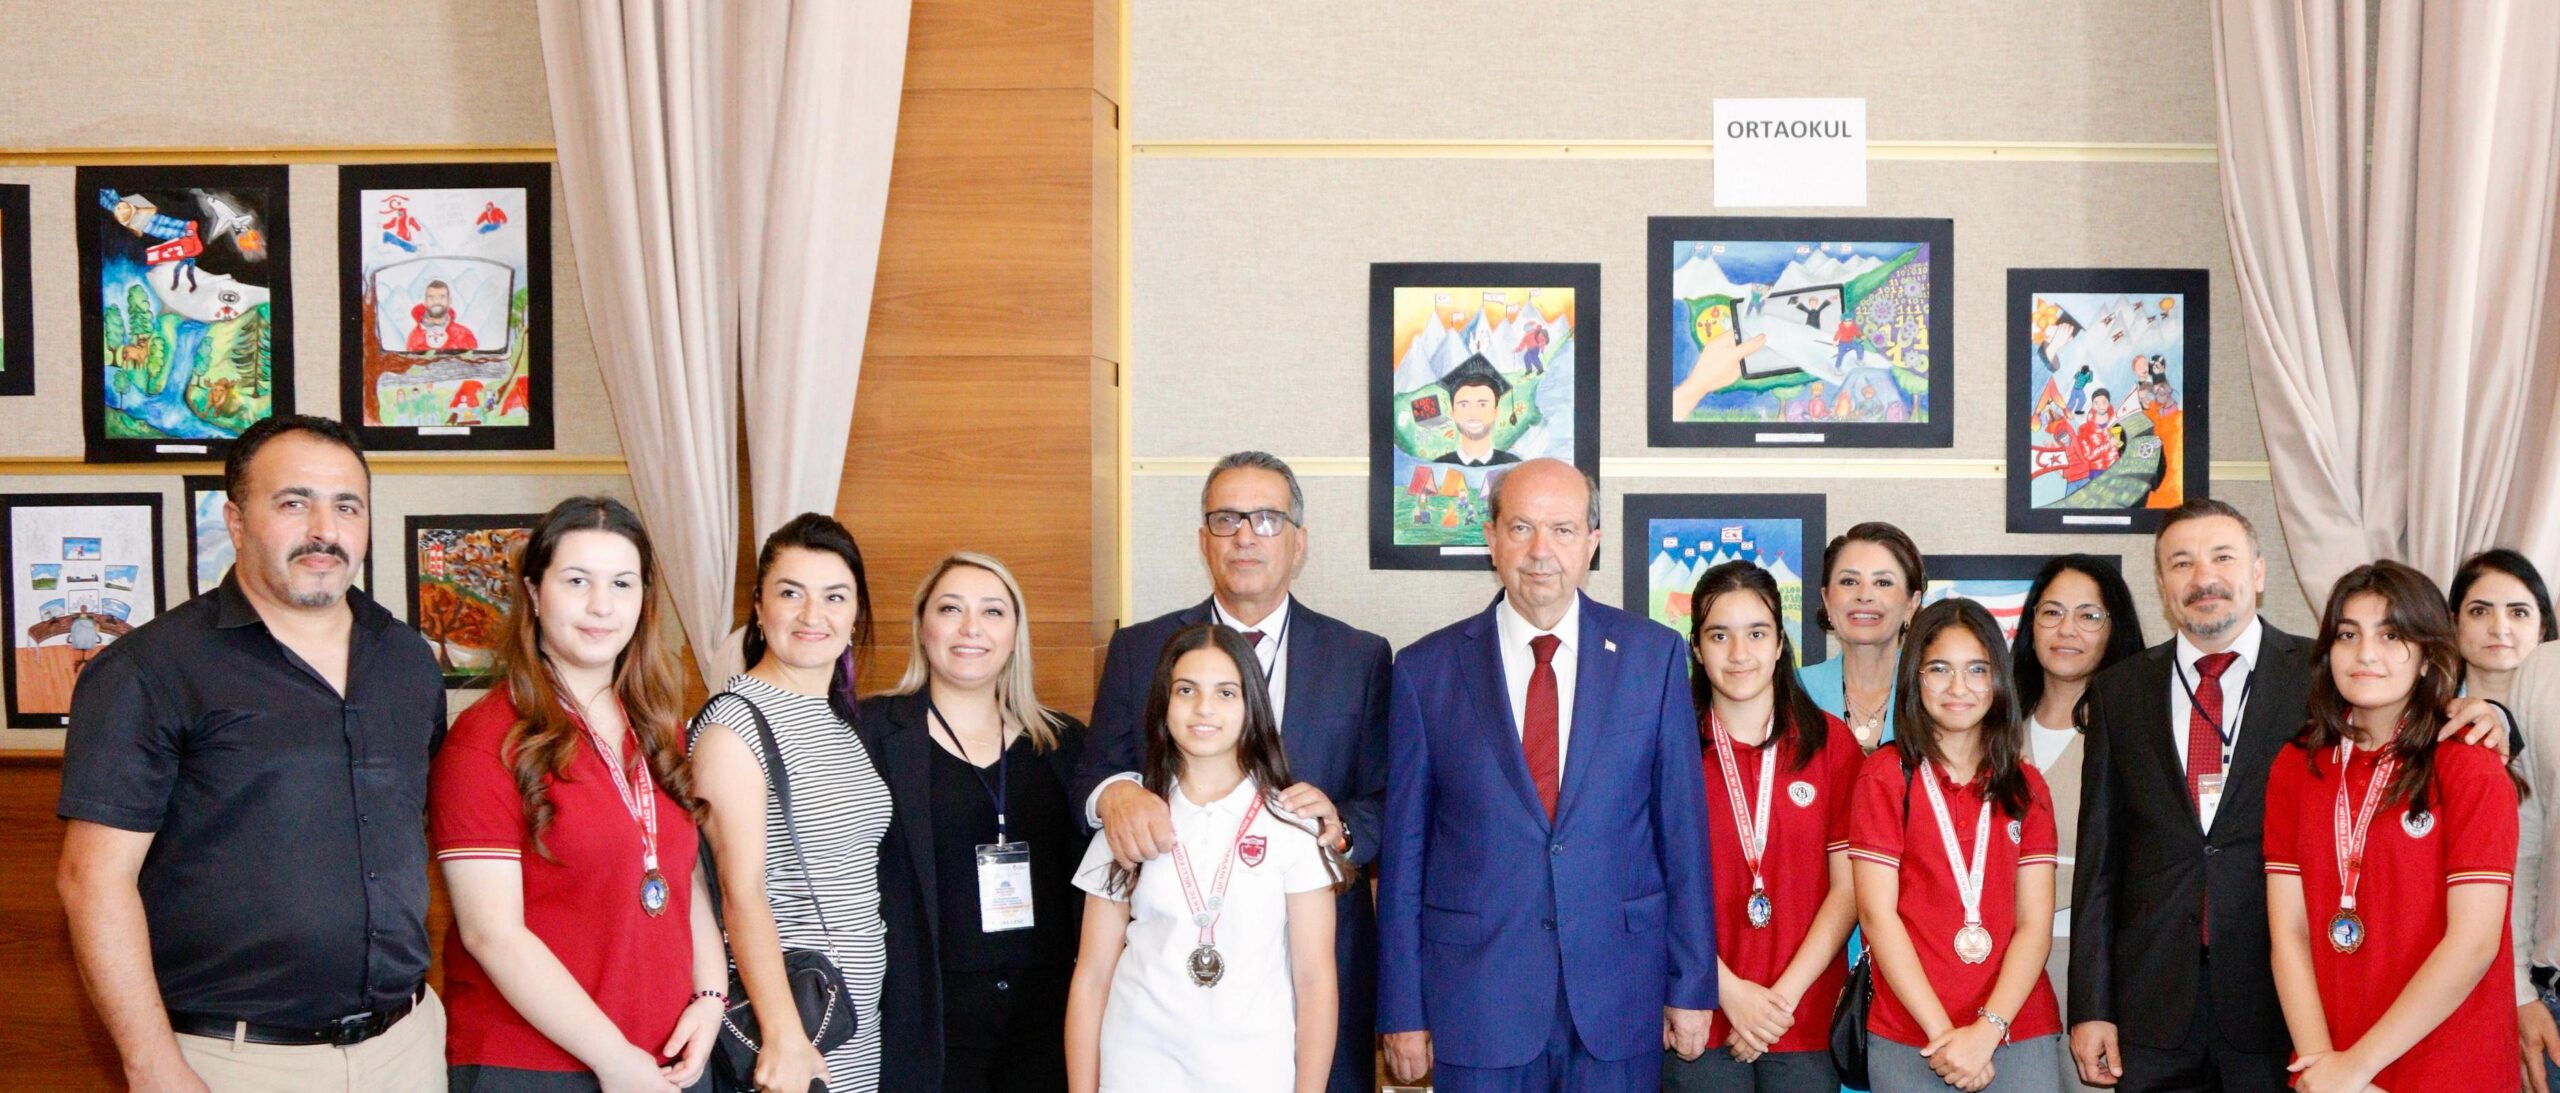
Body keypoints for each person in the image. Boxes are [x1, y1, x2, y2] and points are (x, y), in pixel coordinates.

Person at [57, 414, 449, 1091]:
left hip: (406, 1048)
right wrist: (151, 1064)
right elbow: (91, 880)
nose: (324, 529)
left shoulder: (408, 660)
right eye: (294, 503)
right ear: (235, 522)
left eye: (347, 506)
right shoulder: (148, 670)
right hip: (232, 1061)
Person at [1377, 458, 1717, 1092]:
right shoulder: (1426, 671)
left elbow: (1683, 834)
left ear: (1592, 542)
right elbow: (1404, 856)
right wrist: (1402, 1009)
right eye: (1521, 528)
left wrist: (1693, 984)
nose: (1541, 551)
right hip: (1476, 999)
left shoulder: (1654, 657)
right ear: (1491, 538)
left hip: (1620, 993)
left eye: (1562, 530)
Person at [1070, 451, 1389, 1093]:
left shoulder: (1359, 655)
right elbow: (1094, 772)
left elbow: (1388, 798)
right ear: (1203, 539)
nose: (1245, 535)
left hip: (1314, 973)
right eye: (1226, 519)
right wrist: (1117, 796)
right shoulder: (1140, 649)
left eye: (1267, 519)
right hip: (1158, 1018)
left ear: (1299, 542)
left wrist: (1342, 829)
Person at [430, 496, 726, 1091]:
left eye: (622, 583)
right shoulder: (485, 740)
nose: (601, 606)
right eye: (577, 581)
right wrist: (614, 1059)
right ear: (535, 593)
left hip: (666, 1057)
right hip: (535, 1067)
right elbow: (492, 933)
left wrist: (711, 996)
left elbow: (678, 872)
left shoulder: (659, 729)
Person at [2070, 499, 2312, 1092]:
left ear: (2258, 570)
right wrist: (2090, 1006)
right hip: (2150, 1004)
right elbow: (2099, 864)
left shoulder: (2320, 675)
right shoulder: (2119, 691)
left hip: (2283, 1002)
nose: (2204, 578)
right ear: (2161, 584)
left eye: (2222, 557)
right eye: (2182, 563)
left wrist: (2493, 715)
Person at [2263, 560, 2521, 1093]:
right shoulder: (2297, 764)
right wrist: (2322, 1064)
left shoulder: (2468, 763)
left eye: (2391, 635)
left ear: (2428, 656)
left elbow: (2474, 942)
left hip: (2448, 1064)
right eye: (2348, 635)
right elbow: (2289, 931)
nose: (2365, 653)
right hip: (2330, 1062)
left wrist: (2358, 1068)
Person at [1064, 624, 1346, 1093]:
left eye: (1226, 692)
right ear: (1163, 704)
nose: (1204, 708)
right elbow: (1091, 978)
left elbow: (1315, 980)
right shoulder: (1129, 820)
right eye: (1186, 690)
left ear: (1252, 707)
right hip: (1135, 1071)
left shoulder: (1294, 825)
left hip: (1253, 1074)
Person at [689, 514, 917, 1093]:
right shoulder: (732, 727)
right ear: (759, 608)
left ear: (855, 613)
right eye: (791, 594)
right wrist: (784, 1035)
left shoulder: (838, 720)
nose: (813, 615)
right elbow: (741, 893)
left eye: (834, 597)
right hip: (791, 1019)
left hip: (850, 1015)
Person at [861, 552, 1090, 1093]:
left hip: (1047, 1021)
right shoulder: (871, 733)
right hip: (927, 1019)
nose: (971, 628)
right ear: (922, 626)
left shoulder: (1064, 743)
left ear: (1014, 634)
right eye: (950, 609)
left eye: (992, 611)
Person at [1848, 598, 2068, 1091]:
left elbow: (2035, 924)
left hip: (2017, 1029)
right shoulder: (1885, 776)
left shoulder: (2027, 786)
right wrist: (1944, 1036)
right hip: (1911, 1033)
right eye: (1940, 669)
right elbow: (1876, 917)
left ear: (1999, 680)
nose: (1958, 687)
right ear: (1914, 677)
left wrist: (1986, 1032)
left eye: (1977, 670)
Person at [1664, 562, 1862, 1093]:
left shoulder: (1831, 745)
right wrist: (1727, 991)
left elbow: (1848, 890)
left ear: (1779, 644)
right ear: (1696, 648)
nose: (1739, 653)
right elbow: (1650, 886)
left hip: (1802, 1018)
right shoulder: (1668, 746)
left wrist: (1779, 1003)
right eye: (1719, 636)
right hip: (1700, 1015)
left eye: (1756, 633)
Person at [2010, 554, 2148, 1093]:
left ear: (2116, 629)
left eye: (2089, 615)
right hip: (1992, 970)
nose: (2067, 630)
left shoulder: (2137, 734)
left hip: (2092, 974)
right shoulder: (1994, 730)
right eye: (2052, 612)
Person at [1799, 522, 1927, 750]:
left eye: (1883, 583)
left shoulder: (1933, 690)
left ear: (1912, 603)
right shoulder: (1793, 690)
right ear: (1826, 599)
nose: (1865, 595)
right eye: (1849, 581)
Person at [2452, 549, 2556, 707]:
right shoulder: (2421, 709)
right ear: (2455, 623)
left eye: (2519, 613)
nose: (2499, 630)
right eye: (2479, 611)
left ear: (2542, 628)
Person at [1433, 356, 1521, 466]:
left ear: (1496, 412)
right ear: (1452, 413)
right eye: (1464, 405)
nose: (1473, 413)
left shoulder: (1512, 465)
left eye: (1482, 404)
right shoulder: (1439, 466)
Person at [409, 280, 480, 352]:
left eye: (442, 297)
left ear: (449, 301)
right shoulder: (415, 337)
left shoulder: (464, 335)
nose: (436, 301)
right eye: (431, 297)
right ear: (425, 302)